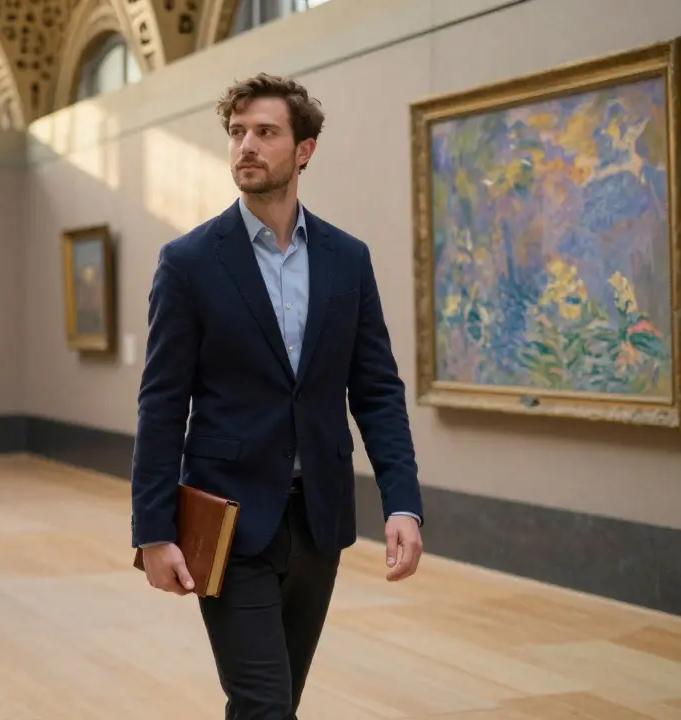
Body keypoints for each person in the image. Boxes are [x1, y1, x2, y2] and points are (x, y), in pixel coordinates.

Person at [130, 73, 425, 719]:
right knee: (263, 704)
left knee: (278, 703)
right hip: (229, 519)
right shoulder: (189, 262)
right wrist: (152, 531)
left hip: (319, 518)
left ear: (304, 150)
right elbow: (162, 403)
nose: (246, 145)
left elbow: (376, 390)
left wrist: (403, 502)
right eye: (237, 132)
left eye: (265, 132)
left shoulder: (348, 259)